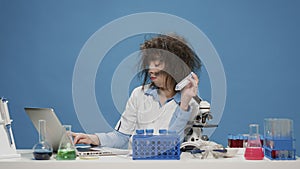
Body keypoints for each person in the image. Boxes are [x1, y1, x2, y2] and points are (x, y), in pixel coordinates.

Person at [72, 34, 202, 149]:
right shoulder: (139, 94)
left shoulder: (190, 103)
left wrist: (184, 105)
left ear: (175, 68)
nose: (150, 69)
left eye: (156, 64)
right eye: (149, 64)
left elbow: (172, 144)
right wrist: (93, 139)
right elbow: (121, 137)